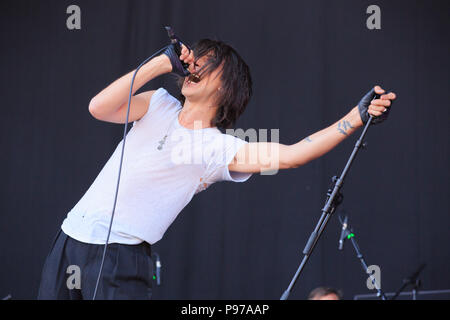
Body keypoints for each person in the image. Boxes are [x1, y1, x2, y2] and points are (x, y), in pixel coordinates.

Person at [37, 38, 396, 299]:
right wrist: (161, 63)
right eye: (195, 61)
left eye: (208, 63)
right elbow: (98, 108)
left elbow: (292, 154)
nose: (194, 66)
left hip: (119, 256)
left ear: (227, 86)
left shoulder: (218, 148)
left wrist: (355, 117)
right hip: (70, 238)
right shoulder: (157, 102)